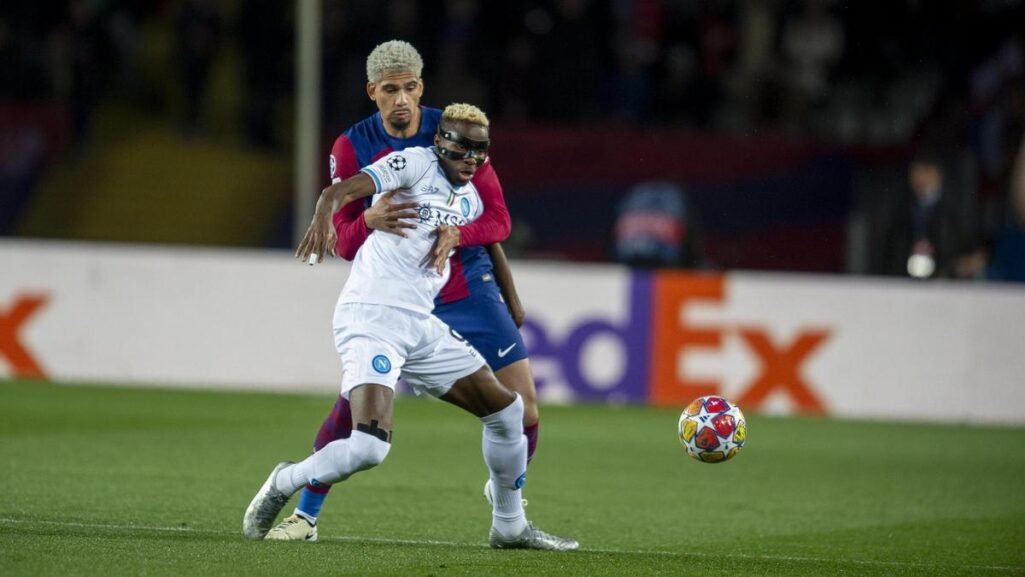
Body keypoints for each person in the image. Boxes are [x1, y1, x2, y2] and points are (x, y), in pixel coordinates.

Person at [242, 104, 577, 551]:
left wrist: (502, 286)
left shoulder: (472, 194)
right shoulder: (414, 163)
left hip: (420, 325)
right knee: (369, 449)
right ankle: (286, 480)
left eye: (481, 151)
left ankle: (509, 526)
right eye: (462, 149)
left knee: (508, 412)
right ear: (441, 143)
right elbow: (345, 188)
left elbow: (497, 229)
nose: (471, 160)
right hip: (373, 316)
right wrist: (325, 208)